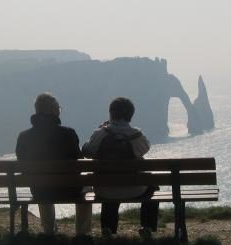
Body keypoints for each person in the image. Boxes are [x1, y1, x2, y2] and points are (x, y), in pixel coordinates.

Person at [15, 92, 92, 236]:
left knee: (40, 181)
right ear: (52, 111)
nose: (59, 112)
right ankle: (82, 233)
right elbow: (78, 161)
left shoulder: (24, 136)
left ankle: (49, 231)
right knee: (87, 187)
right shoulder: (68, 134)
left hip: (40, 190)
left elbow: (22, 162)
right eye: (58, 109)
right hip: (70, 190)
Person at [82, 97, 159, 237]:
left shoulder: (100, 134)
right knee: (152, 185)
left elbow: (86, 151)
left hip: (105, 189)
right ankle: (147, 226)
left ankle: (108, 229)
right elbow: (145, 148)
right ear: (131, 116)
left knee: (108, 185)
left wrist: (101, 130)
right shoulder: (137, 136)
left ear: (111, 113)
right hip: (136, 189)